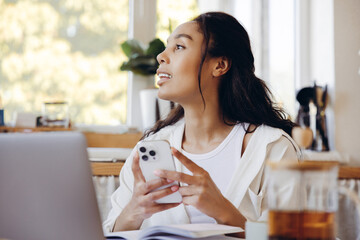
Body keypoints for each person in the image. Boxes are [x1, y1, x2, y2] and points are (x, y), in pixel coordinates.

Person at [103, 11, 300, 235]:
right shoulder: (151, 147)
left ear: (220, 65)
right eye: (167, 47)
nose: (161, 57)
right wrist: (134, 211)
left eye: (179, 47)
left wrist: (225, 212)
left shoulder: (273, 149)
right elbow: (107, 234)